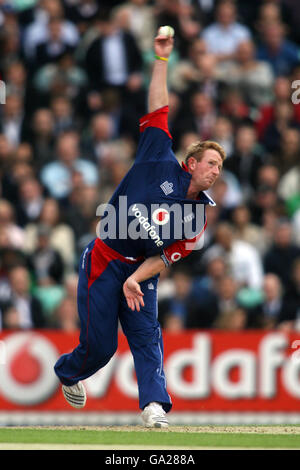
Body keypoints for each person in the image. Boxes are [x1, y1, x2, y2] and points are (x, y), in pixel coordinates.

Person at [54, 28, 225, 428]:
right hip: (104, 257)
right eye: (211, 163)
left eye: (220, 167)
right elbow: (159, 105)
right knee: (100, 348)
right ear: (192, 161)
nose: (216, 172)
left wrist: (136, 279)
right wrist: (162, 60)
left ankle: (154, 407)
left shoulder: (198, 220)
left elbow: (164, 258)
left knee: (148, 338)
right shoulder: (157, 155)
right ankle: (67, 371)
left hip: (140, 271)